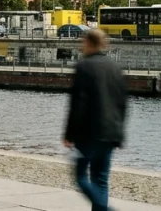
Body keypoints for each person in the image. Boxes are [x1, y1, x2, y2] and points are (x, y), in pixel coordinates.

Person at [63, 30, 128, 211]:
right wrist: (120, 133)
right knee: (101, 179)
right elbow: (122, 103)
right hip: (110, 132)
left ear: (89, 43)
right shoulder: (115, 68)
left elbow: (78, 103)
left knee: (81, 177)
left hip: (89, 133)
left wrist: (69, 134)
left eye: (83, 41)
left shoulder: (84, 66)